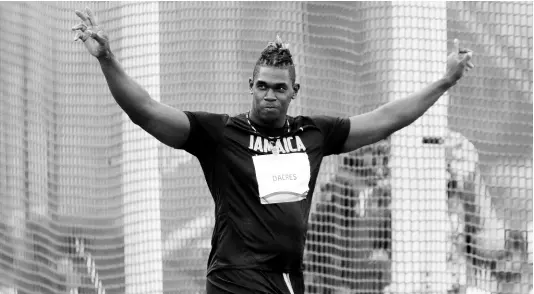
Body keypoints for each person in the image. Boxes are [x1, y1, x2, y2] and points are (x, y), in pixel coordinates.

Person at [72, 7, 474, 294]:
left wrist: (443, 81)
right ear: (251, 84)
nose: (269, 95)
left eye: (279, 88)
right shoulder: (221, 133)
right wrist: (108, 58)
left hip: (287, 278)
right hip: (235, 277)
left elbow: (386, 119)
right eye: (262, 86)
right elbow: (145, 111)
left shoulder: (315, 133)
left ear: (293, 92)